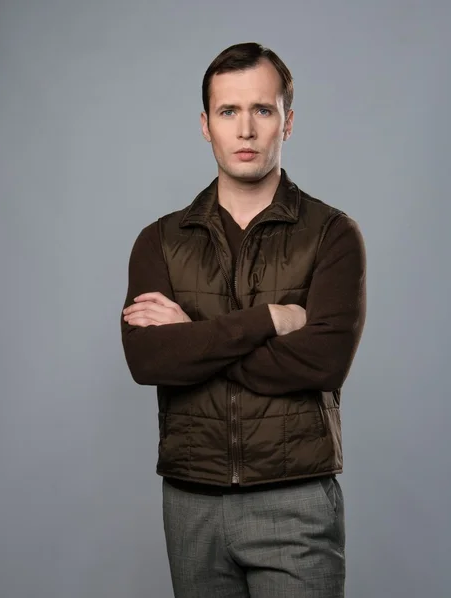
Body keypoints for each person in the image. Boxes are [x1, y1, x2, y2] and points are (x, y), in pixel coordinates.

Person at [120, 41, 366, 598]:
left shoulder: (332, 234)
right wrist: (267, 320)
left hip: (295, 498)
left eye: (263, 109)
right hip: (192, 503)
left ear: (288, 121)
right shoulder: (159, 240)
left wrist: (193, 339)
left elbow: (322, 363)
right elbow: (147, 359)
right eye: (229, 111)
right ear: (206, 124)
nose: (246, 130)